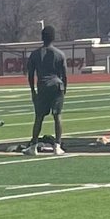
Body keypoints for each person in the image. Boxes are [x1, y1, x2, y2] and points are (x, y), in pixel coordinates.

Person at [27, 25, 68, 154]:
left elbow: (30, 75)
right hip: (57, 86)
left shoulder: (35, 54)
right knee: (57, 116)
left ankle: (33, 145)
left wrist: (33, 91)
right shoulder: (60, 54)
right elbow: (65, 75)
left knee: (39, 117)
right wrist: (64, 89)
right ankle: (57, 144)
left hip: (42, 87)